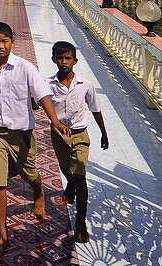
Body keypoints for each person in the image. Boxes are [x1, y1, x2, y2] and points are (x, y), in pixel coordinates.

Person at [0, 21, 69, 258]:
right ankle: (2, 234)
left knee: (29, 173)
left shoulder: (25, 68)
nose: (0, 45)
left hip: (21, 133)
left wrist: (55, 121)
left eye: (5, 41)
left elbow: (43, 95)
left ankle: (38, 192)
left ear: (13, 42)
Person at [47, 40, 109, 243]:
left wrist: (103, 133)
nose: (64, 62)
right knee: (67, 171)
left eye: (68, 58)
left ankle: (80, 223)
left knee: (80, 178)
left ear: (75, 61)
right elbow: (36, 103)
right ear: (54, 60)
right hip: (59, 137)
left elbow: (95, 109)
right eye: (60, 58)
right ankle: (69, 187)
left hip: (80, 136)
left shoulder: (85, 85)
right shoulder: (48, 85)